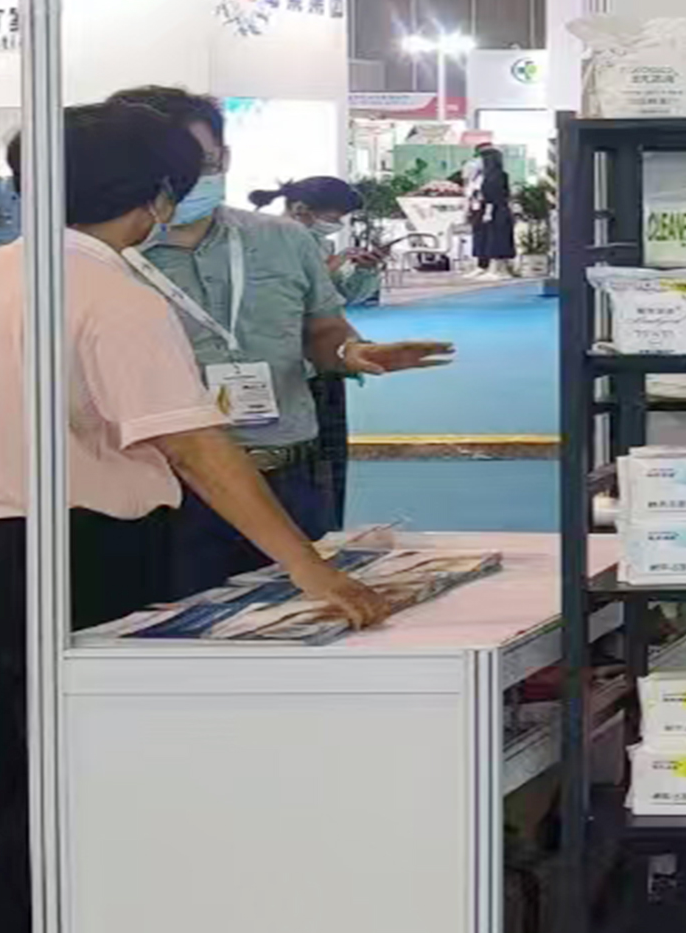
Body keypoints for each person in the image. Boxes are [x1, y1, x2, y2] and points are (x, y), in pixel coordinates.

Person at [0, 103, 392, 933]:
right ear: (154, 198)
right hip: (77, 551)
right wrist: (308, 567)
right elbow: (196, 446)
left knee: (4, 767)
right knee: (48, 778)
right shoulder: (115, 295)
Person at [106, 89, 453, 593]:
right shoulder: (102, 259)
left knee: (300, 617)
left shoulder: (284, 240)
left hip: (289, 474)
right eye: (168, 167)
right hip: (161, 487)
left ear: (224, 159)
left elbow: (322, 329)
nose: (184, 180)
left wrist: (351, 352)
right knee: (161, 630)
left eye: (201, 163)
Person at [256, 175, 382, 308]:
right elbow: (283, 293)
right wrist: (332, 265)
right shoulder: (263, 242)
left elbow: (341, 296)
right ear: (299, 208)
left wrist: (364, 270)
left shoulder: (321, 246)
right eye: (333, 218)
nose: (338, 224)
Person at [465, 144, 517, 276]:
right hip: (482, 209)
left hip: (495, 209)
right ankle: (483, 265)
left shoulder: (498, 176)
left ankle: (497, 269)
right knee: (483, 237)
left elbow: (496, 195)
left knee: (496, 238)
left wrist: (488, 210)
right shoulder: (479, 176)